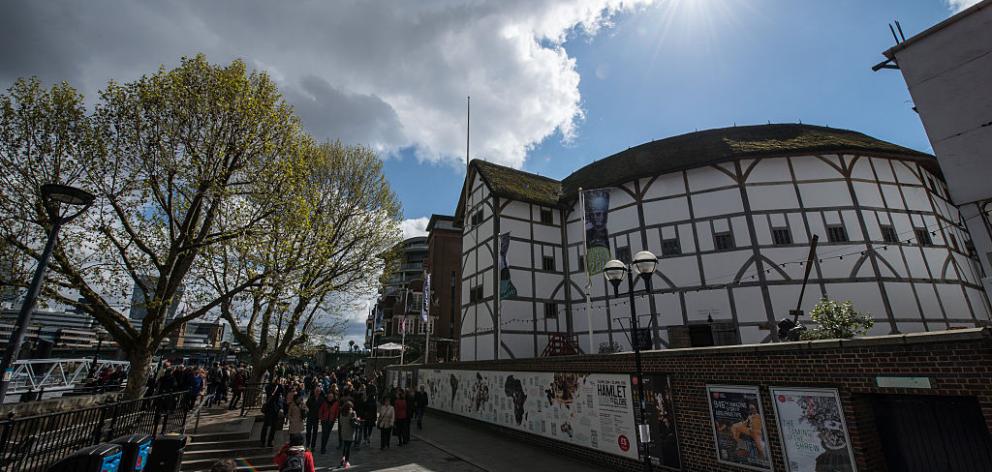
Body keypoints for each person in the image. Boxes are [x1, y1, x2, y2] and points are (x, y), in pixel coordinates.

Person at [260, 379, 286, 447]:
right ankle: (263, 441)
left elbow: (283, 393)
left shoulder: (279, 387)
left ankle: (270, 441)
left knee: (273, 426)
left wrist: (280, 384)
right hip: (269, 408)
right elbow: (268, 391)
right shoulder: (269, 387)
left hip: (275, 409)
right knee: (265, 425)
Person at [337, 401, 358, 468]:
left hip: (343, 431)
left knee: (345, 446)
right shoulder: (352, 413)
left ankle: (343, 458)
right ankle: (346, 461)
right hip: (350, 432)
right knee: (348, 447)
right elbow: (355, 422)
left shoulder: (342, 413)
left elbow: (340, 422)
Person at [305, 385, 323, 450]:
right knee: (308, 432)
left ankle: (313, 446)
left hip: (316, 418)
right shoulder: (311, 398)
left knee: (315, 432)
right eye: (316, 391)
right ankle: (307, 444)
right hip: (310, 417)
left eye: (318, 391)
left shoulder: (321, 399)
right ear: (314, 391)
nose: (317, 392)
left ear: (320, 392)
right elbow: (306, 405)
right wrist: (307, 410)